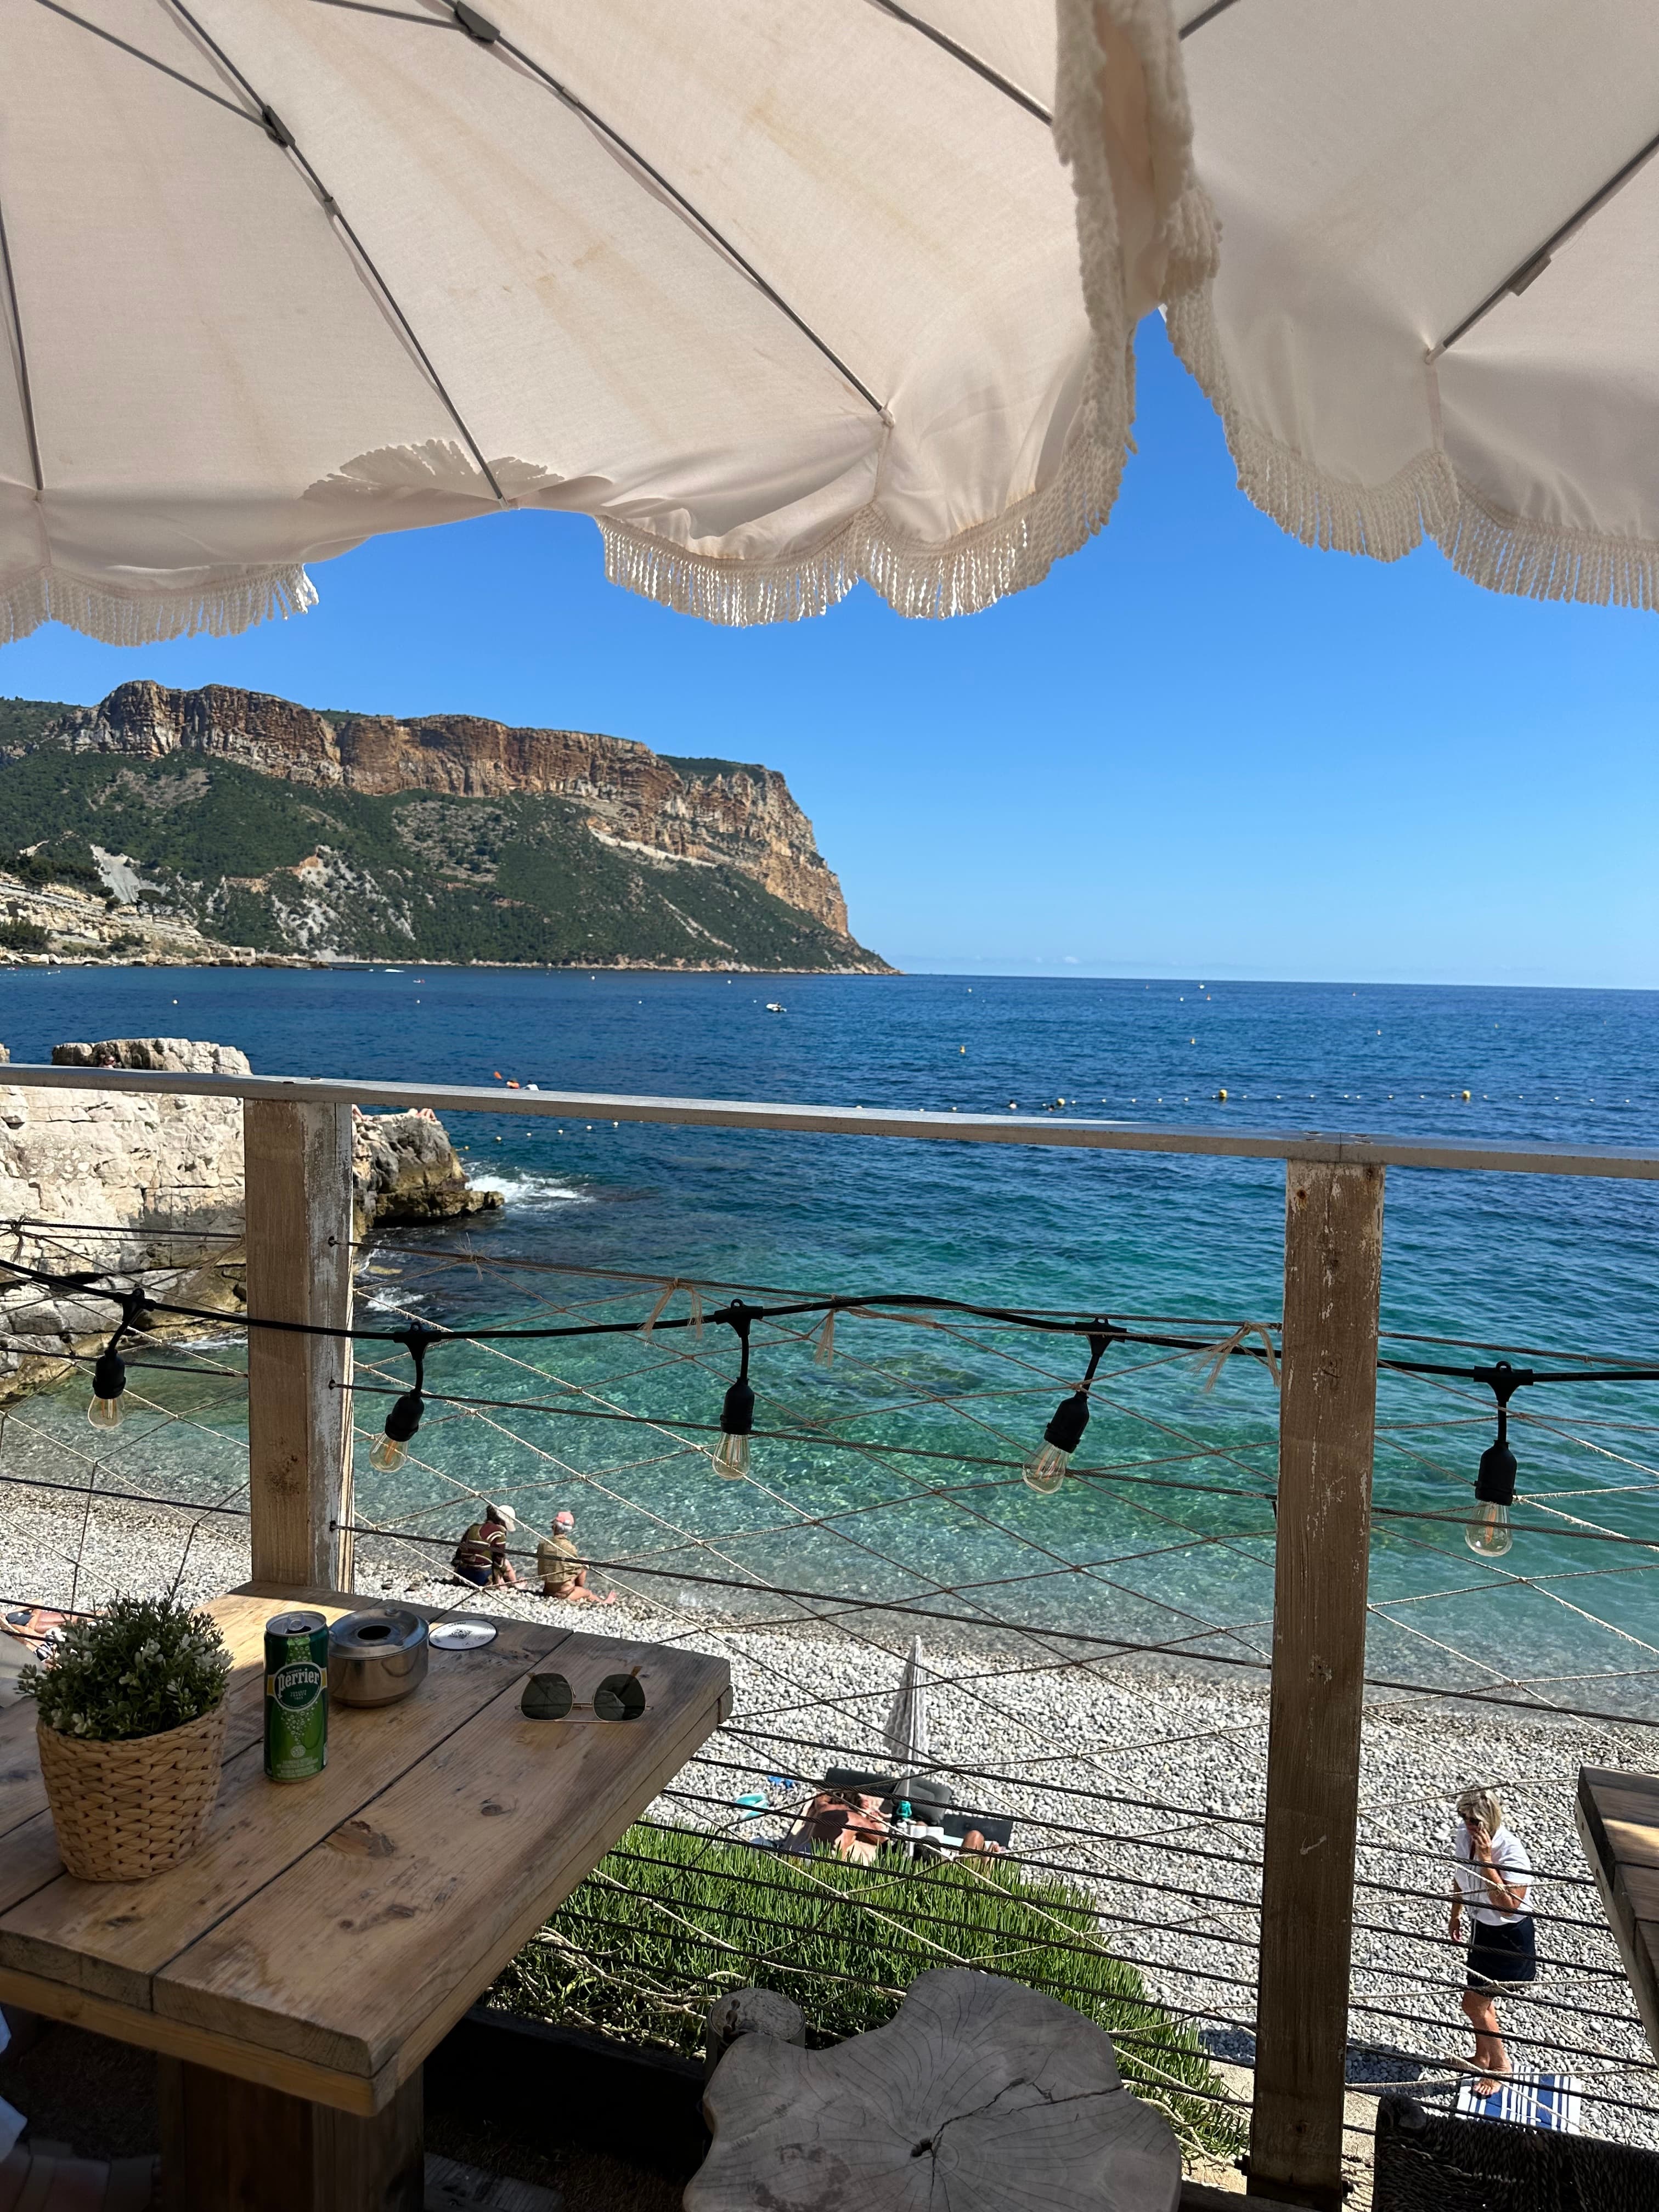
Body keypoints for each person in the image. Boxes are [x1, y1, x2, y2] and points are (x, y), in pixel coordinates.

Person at [1448, 1784, 1534, 2094]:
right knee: (1482, 2002)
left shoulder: (1511, 1851)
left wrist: (1487, 1859)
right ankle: (1483, 2056)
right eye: (1464, 1817)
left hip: (1507, 1937)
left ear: (1490, 1820)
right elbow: (1460, 1878)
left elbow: (1510, 1907)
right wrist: (1456, 1914)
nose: (1468, 1825)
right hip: (1480, 1928)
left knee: (1474, 2004)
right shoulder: (1463, 1836)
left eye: (1474, 1820)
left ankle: (1500, 2066)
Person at [535, 1510, 615, 1605]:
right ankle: (603, 1602)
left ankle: (577, 1589)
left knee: (578, 1563)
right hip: (564, 1594)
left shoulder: (543, 1544)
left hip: (547, 1591)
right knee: (587, 1592)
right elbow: (575, 1567)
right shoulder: (569, 1547)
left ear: (554, 1526)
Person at [451, 1503, 517, 1587]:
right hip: (481, 1579)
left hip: (463, 1576)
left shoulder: (473, 1528)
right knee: (506, 1563)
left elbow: (459, 1553)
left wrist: (456, 1573)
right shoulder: (499, 1533)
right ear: (502, 1522)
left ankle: (458, 1579)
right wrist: (499, 1580)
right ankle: (515, 1585)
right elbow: (499, 1561)